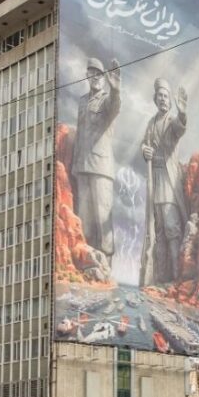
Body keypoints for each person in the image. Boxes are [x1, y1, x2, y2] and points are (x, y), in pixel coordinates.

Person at [139, 77, 189, 286]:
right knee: (158, 232)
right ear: (155, 99)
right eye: (159, 95)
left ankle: (176, 277)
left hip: (169, 181)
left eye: (166, 96)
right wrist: (144, 150)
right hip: (155, 181)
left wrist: (182, 113)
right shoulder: (151, 123)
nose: (163, 99)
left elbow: (180, 128)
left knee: (172, 229)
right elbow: (144, 143)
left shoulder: (172, 121)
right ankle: (160, 278)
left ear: (170, 100)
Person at [71, 56, 121, 258]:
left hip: (101, 166)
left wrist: (116, 89)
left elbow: (115, 107)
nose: (96, 78)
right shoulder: (82, 101)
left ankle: (106, 262)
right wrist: (75, 164)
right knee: (84, 218)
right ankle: (88, 261)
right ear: (87, 76)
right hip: (82, 165)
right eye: (92, 74)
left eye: (99, 74)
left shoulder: (107, 99)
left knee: (102, 216)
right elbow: (80, 131)